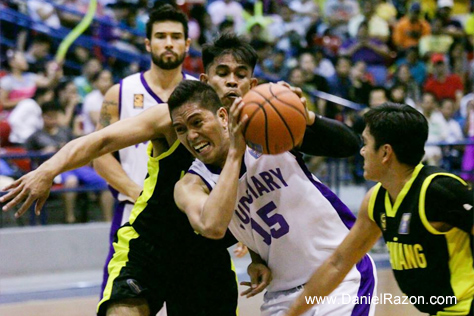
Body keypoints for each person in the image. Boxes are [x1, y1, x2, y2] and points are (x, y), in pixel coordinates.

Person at [1, 32, 274, 316]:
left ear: (252, 84)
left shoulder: (263, 136)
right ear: (205, 80)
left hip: (207, 257)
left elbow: (256, 197)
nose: (232, 80)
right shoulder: (169, 118)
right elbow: (101, 141)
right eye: (223, 72)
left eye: (241, 74)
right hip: (150, 246)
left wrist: (256, 255)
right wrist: (48, 169)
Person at [169, 80, 377, 316]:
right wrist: (256, 255)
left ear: (223, 116)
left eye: (197, 122)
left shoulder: (267, 133)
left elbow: (349, 145)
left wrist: (305, 116)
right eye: (181, 129)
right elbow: (213, 226)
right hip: (281, 294)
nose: (191, 135)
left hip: (339, 274)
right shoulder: (190, 185)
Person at [284, 103, 474, 316]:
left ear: (385, 152)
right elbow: (338, 263)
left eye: (365, 143)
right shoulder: (376, 200)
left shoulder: (439, 190)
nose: (362, 150)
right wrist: (292, 313)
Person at [91, 5, 196, 299]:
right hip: (133, 220)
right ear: (148, 43)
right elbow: (100, 157)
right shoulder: (120, 93)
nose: (169, 42)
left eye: (176, 36)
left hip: (190, 222)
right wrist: (141, 195)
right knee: (121, 305)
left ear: (187, 44)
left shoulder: (202, 94)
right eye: (161, 36)